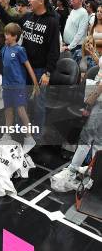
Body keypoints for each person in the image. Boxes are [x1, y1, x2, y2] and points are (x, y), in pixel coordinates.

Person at [0, 0, 60, 135]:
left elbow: (54, 50)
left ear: (41, 1)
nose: (28, 0)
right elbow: (10, 21)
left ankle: (36, 138)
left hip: (40, 70)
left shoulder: (52, 21)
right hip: (23, 68)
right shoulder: (28, 16)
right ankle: (21, 133)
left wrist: (48, 73)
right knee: (21, 103)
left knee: (38, 104)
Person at [51, 61, 102, 192]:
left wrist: (88, 104)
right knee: (98, 142)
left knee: (87, 140)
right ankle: (94, 176)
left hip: (99, 103)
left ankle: (73, 171)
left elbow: (100, 86)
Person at [1, 23, 39, 153]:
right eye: (5, 33)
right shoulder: (4, 48)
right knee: (8, 111)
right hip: (6, 86)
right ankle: (7, 134)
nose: (5, 36)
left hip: (18, 86)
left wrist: (35, 83)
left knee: (21, 111)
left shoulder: (20, 50)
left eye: (8, 34)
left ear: (15, 36)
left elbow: (28, 67)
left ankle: (29, 138)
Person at [62, 0, 89, 64]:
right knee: (68, 69)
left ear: (81, 0)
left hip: (76, 47)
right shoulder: (73, 11)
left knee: (73, 71)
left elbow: (80, 33)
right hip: (69, 45)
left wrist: (70, 47)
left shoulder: (83, 13)